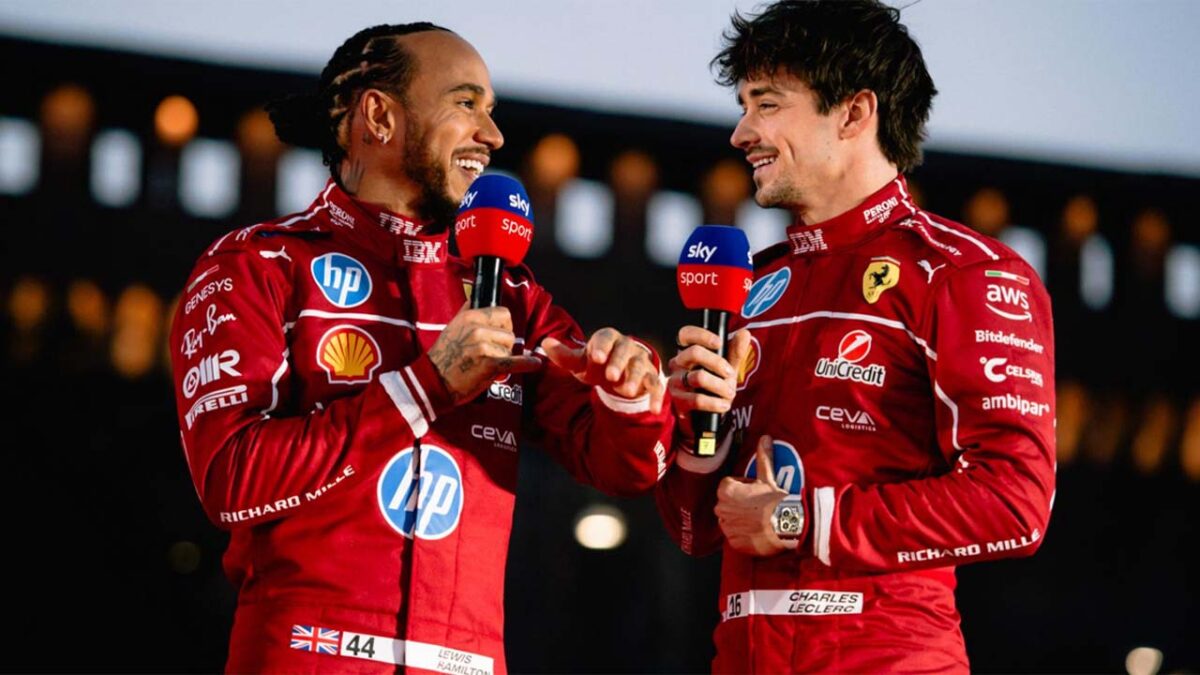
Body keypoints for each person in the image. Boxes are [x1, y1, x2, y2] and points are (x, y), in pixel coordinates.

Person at [169, 23, 674, 674]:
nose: (492, 136)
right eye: (466, 103)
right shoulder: (258, 265)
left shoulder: (512, 295)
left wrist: (630, 400)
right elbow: (231, 482)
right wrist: (427, 385)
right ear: (379, 115)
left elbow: (623, 467)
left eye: (492, 112)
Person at [657, 1, 1057, 671]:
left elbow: (1016, 502)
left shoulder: (963, 272)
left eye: (767, 104)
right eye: (744, 105)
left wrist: (800, 521)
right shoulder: (749, 288)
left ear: (853, 113)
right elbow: (697, 530)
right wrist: (701, 432)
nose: (741, 132)